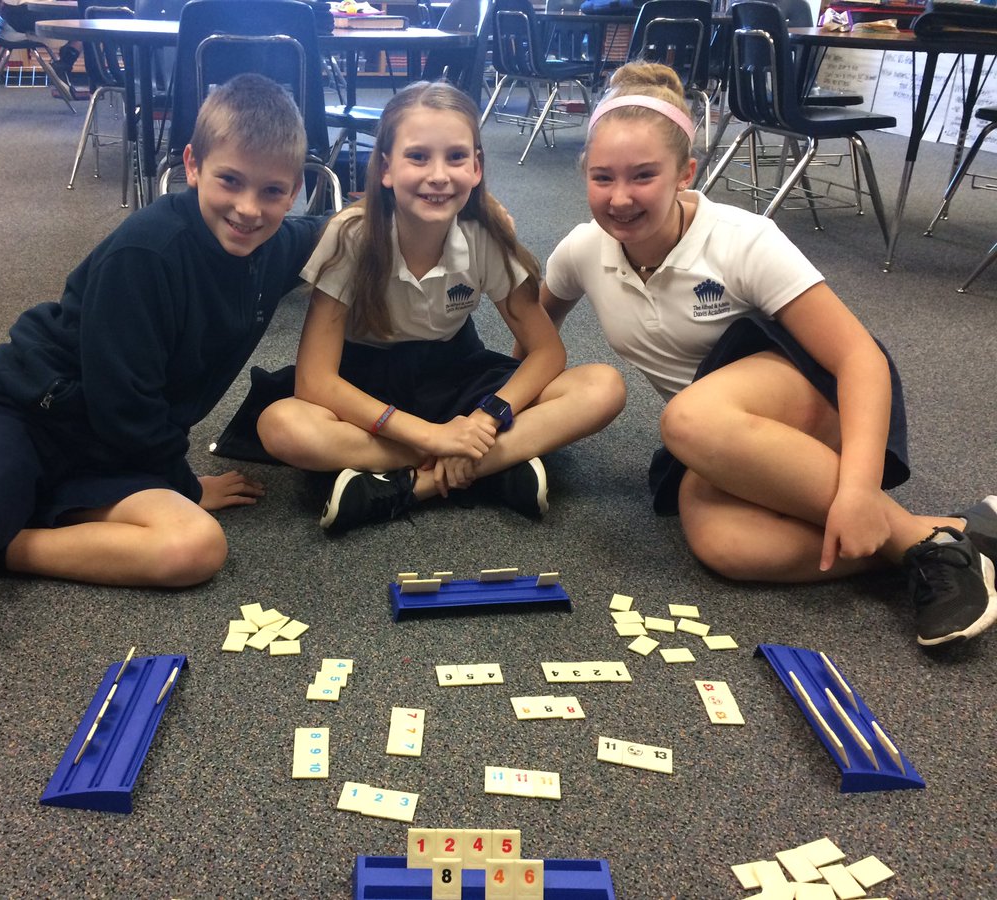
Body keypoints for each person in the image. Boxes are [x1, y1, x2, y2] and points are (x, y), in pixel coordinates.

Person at [0, 74, 323, 643]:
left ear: (294, 190)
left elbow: (352, 228)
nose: (249, 208)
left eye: (272, 192)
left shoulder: (280, 246)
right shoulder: (146, 251)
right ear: (192, 165)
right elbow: (127, 406)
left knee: (195, 548)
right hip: (23, 423)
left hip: (109, 456)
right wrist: (185, 486)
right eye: (230, 181)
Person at [538, 61, 997, 647]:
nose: (620, 197)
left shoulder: (741, 239)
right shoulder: (582, 250)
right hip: (714, 441)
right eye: (602, 177)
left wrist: (857, 490)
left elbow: (861, 359)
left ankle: (924, 550)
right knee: (724, 547)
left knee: (687, 417)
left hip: (818, 412)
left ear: (686, 174)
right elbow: (535, 336)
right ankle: (954, 535)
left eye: (643, 175)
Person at [254, 81, 624, 532]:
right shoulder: (351, 234)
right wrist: (435, 436)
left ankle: (405, 485)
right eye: (417, 157)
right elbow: (315, 380)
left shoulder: (487, 233)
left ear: (476, 166)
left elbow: (547, 351)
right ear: (386, 168)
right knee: (282, 425)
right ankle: (492, 467)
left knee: (603, 386)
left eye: (455, 157)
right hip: (368, 385)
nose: (438, 175)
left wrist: (490, 415)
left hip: (457, 377)